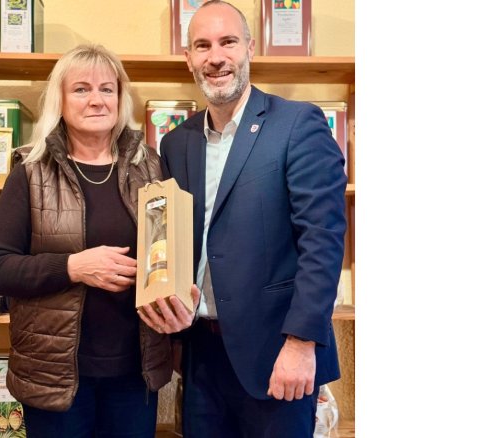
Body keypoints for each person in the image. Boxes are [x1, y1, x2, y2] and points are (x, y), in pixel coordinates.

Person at [138, 2, 348, 436]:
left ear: (250, 47)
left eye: (228, 42)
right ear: (189, 58)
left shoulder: (297, 124)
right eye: (202, 45)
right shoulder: (177, 143)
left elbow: (323, 239)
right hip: (201, 357)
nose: (216, 57)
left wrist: (301, 343)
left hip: (278, 354)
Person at [0, 44, 197, 438]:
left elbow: (168, 254)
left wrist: (183, 296)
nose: (97, 100)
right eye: (81, 89)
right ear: (60, 100)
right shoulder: (30, 171)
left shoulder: (151, 165)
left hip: (135, 375)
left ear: (120, 98)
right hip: (56, 380)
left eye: (107, 89)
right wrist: (74, 267)